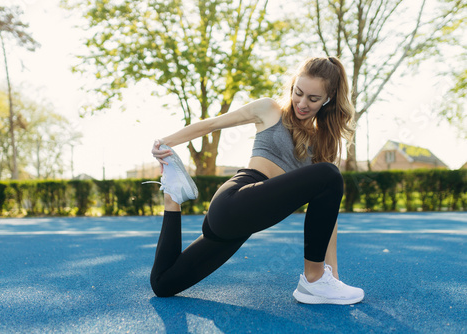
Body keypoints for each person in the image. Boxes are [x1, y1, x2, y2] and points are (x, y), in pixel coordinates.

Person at [148, 56, 364, 305]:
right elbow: (213, 124)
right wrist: (164, 142)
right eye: (298, 93)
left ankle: (172, 197)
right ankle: (312, 281)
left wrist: (333, 273)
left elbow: (328, 216)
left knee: (163, 284)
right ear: (293, 86)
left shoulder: (323, 143)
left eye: (313, 99)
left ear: (328, 99)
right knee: (330, 174)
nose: (302, 103)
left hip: (239, 224)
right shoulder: (270, 110)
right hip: (235, 199)